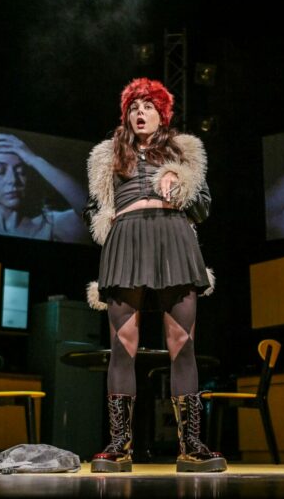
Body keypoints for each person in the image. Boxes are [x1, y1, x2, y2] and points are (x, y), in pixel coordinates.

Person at [82, 78, 225, 473]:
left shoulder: (184, 152)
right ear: (126, 115)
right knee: (122, 345)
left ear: (162, 114)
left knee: (182, 343)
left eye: (148, 106)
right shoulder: (108, 155)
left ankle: (191, 445)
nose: (140, 113)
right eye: (133, 107)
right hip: (126, 240)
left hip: (173, 237)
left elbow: (203, 208)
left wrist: (181, 185)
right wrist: (107, 219)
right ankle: (119, 445)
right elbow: (92, 209)